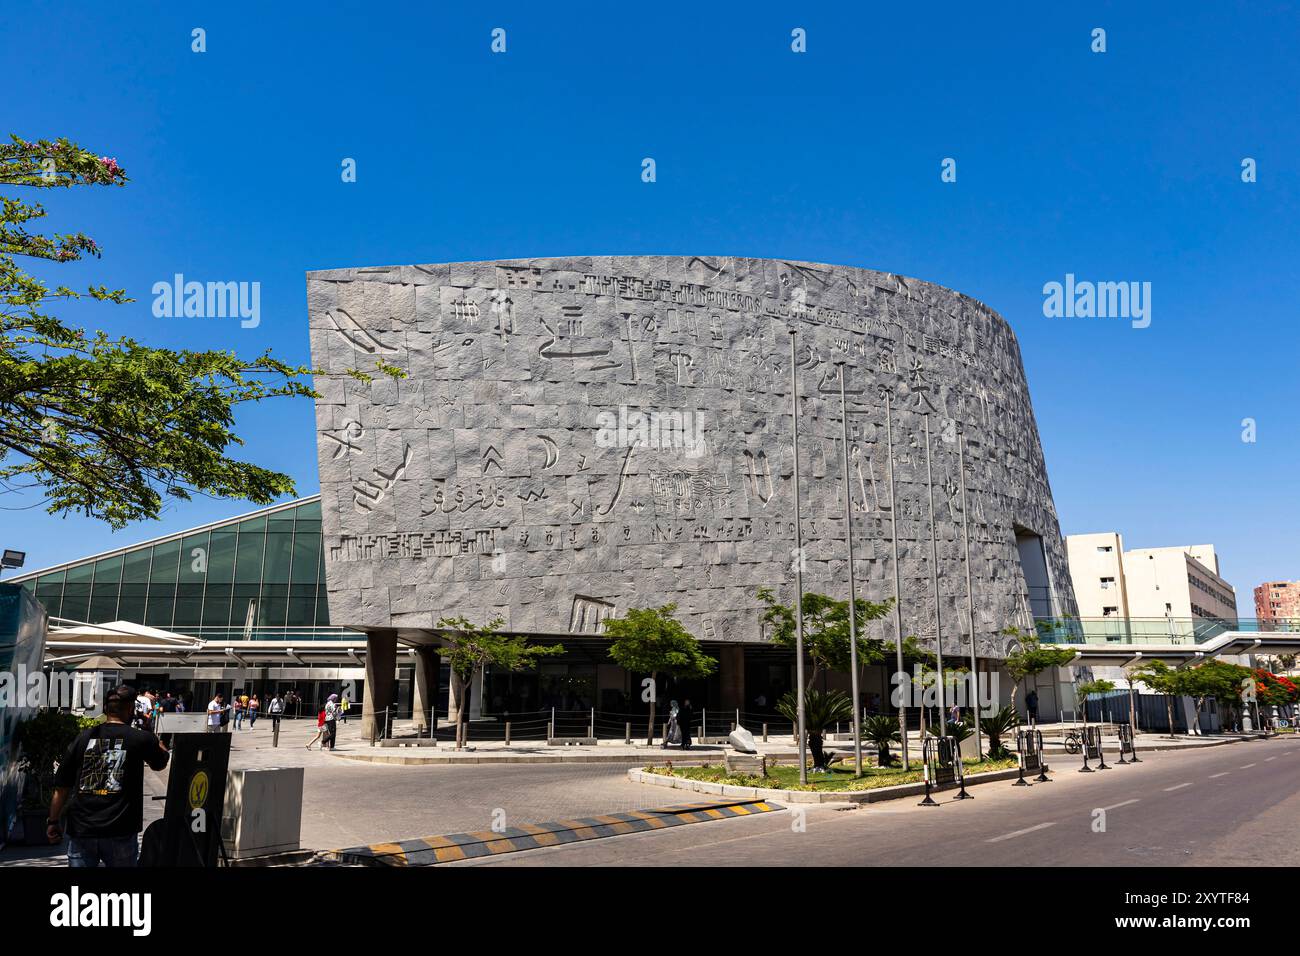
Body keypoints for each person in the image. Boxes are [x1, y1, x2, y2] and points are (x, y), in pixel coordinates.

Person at [46, 684, 170, 867]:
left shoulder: (84, 737)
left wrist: (53, 821)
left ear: (105, 709)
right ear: (130, 709)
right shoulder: (140, 738)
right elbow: (160, 763)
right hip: (120, 830)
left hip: (82, 829)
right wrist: (156, 741)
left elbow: (62, 786)